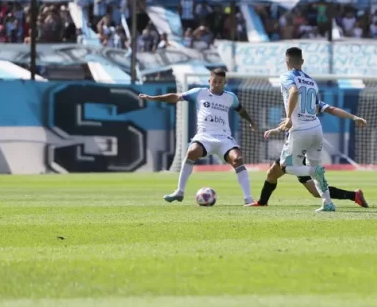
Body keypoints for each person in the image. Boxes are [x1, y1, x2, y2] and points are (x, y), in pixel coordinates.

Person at [138, 68, 258, 204]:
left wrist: (252, 122)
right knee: (192, 151)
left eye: (220, 82)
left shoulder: (230, 97)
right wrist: (152, 98)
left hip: (224, 138)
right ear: (209, 81)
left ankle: (248, 199)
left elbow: (241, 110)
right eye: (214, 81)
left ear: (225, 83)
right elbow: (176, 97)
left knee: (238, 159)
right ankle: (179, 192)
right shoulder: (199, 93)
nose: (217, 84)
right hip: (204, 136)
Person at [257, 47, 339, 212]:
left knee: (285, 167)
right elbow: (315, 108)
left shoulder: (286, 76)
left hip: (300, 130)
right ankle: (328, 203)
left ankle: (313, 171)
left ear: (286, 62)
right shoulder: (311, 81)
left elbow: (293, 91)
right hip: (316, 128)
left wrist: (288, 118)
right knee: (316, 168)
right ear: (302, 61)